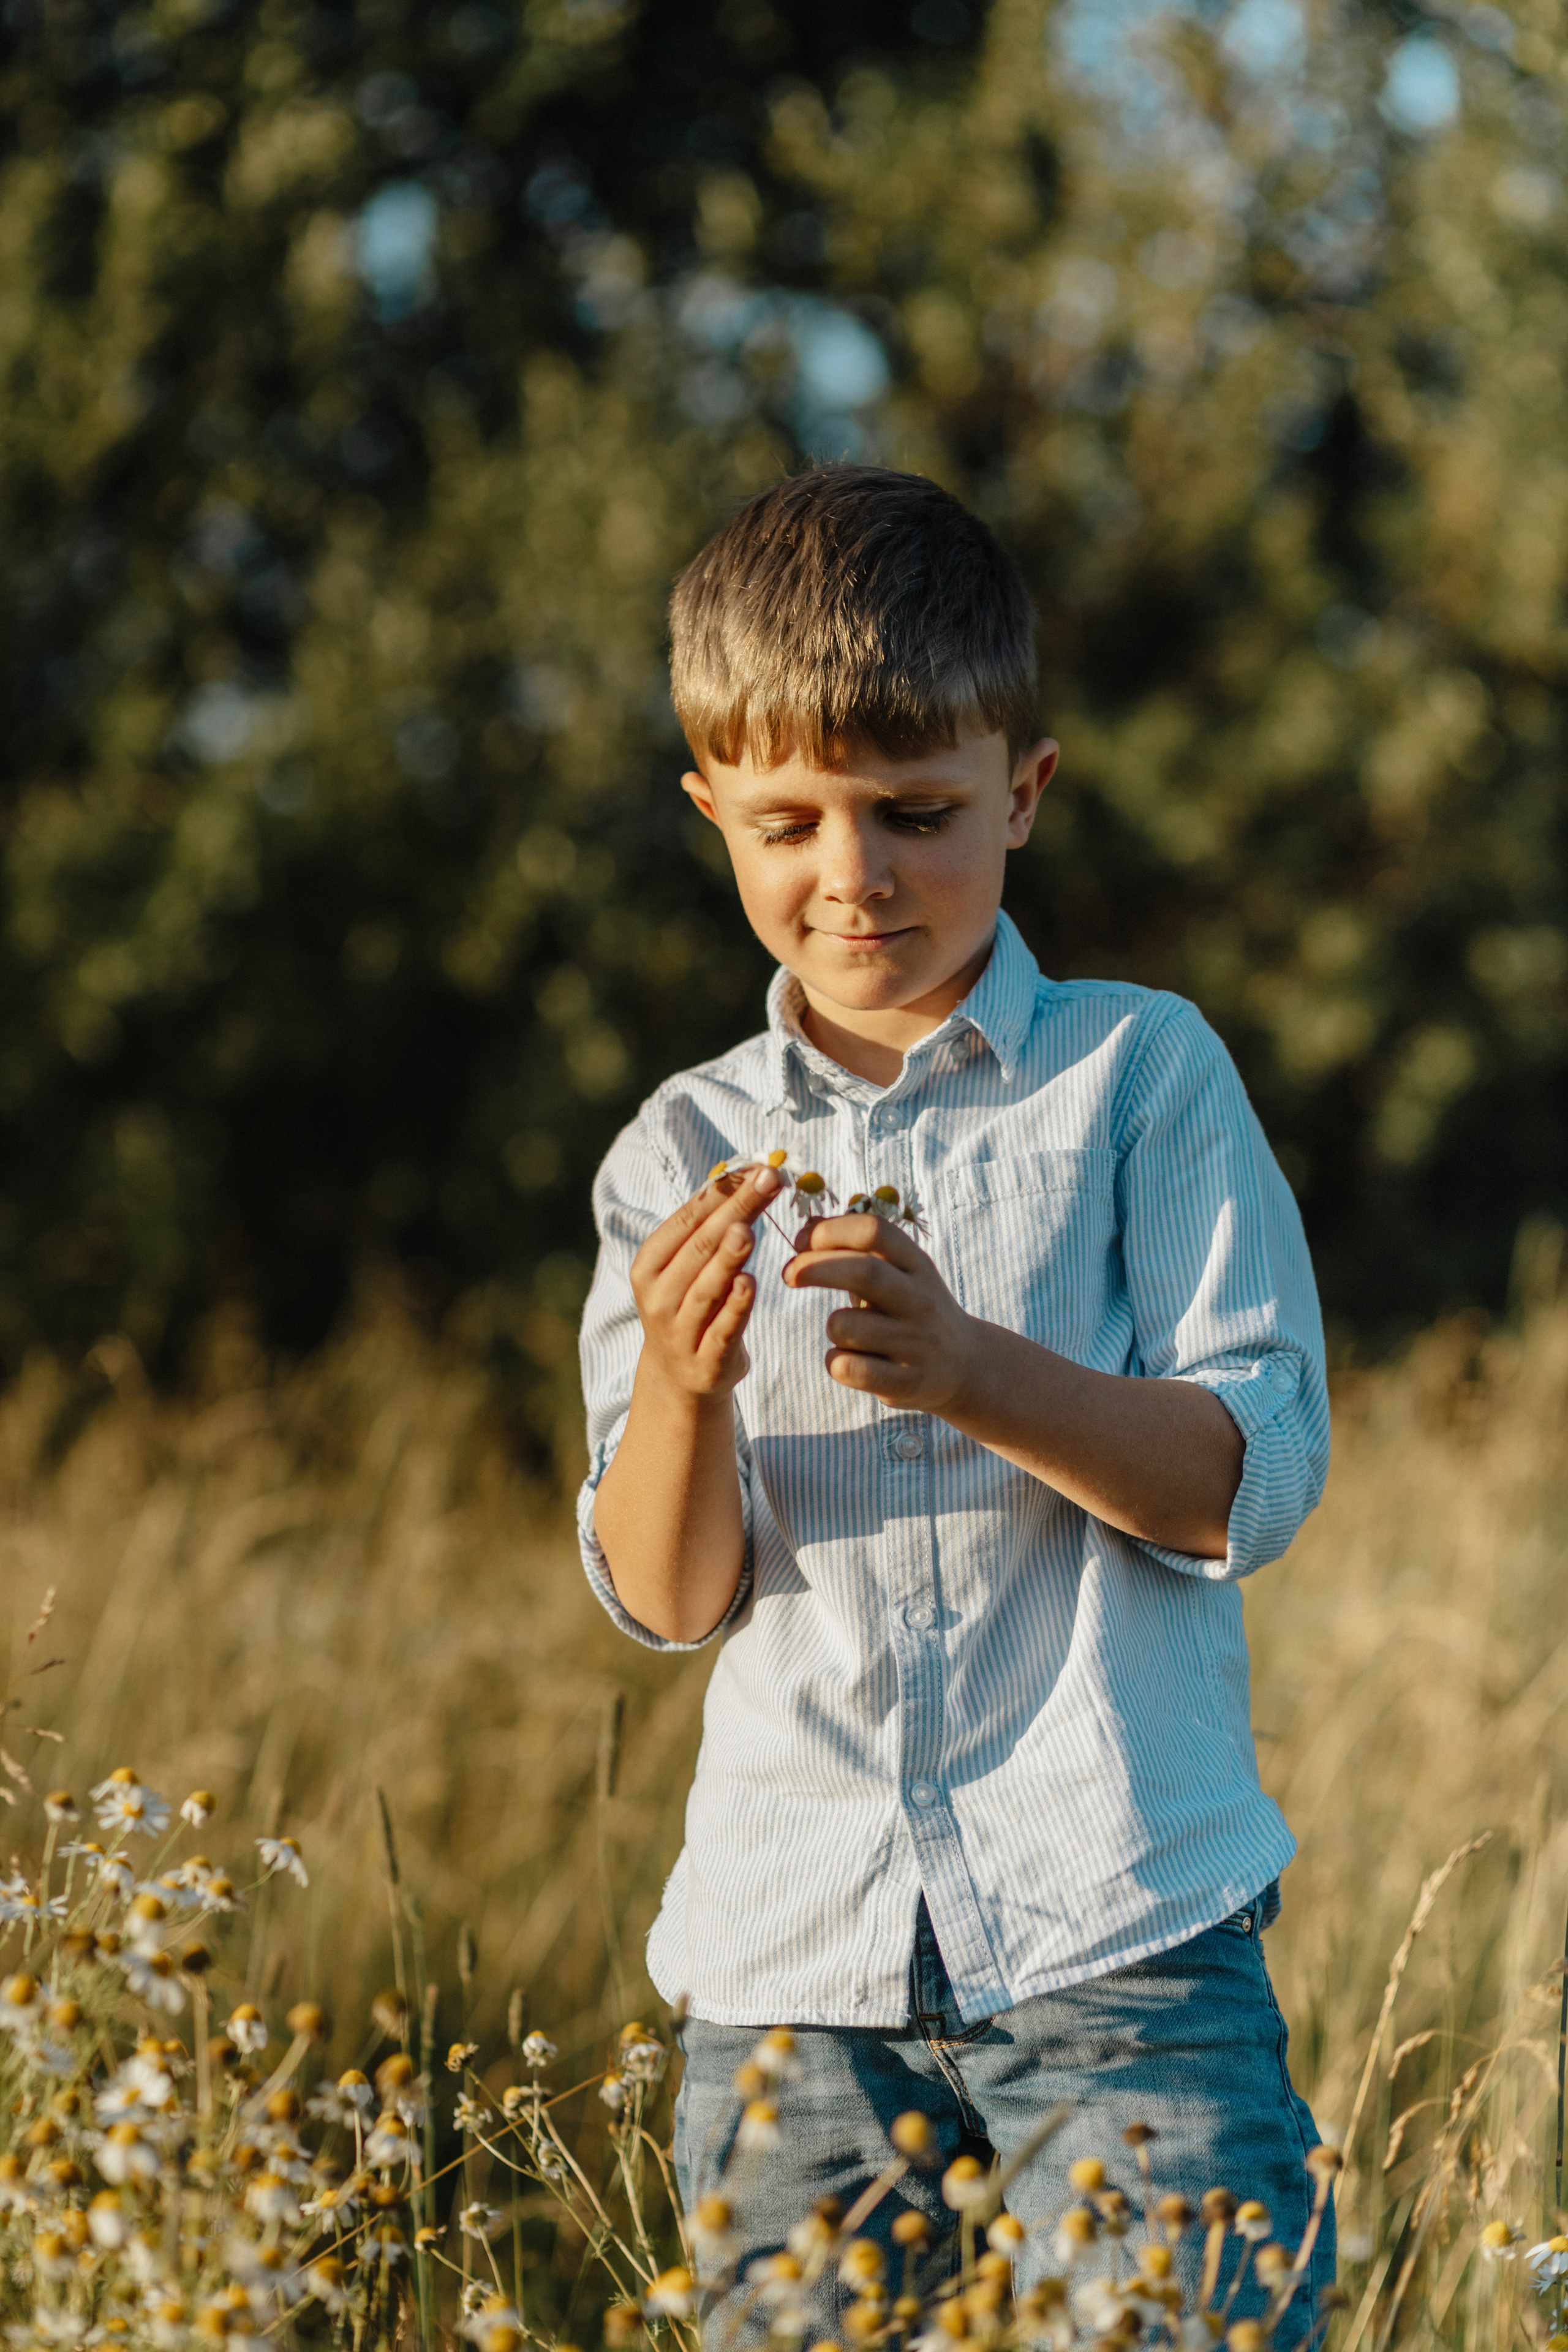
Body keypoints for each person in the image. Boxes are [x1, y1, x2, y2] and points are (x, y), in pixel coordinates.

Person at [576, 465, 1335, 2339]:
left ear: (1026, 791)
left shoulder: (1141, 1079)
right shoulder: (679, 1148)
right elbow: (668, 1597)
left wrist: (977, 1373)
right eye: (788, 822)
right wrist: (680, 1386)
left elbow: (1249, 1482)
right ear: (712, 816)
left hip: (1121, 1934)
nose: (855, 875)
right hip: (790, 1973)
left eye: (917, 811)